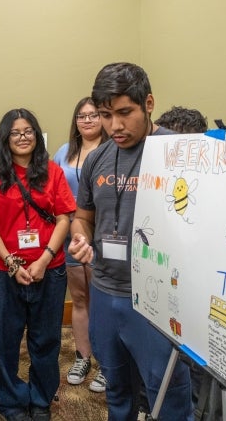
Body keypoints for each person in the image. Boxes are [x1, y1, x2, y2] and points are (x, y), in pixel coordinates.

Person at [69, 62, 193, 421]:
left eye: (125, 113)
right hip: (107, 291)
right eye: (106, 115)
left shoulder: (179, 152)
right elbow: (83, 217)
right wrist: (80, 239)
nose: (115, 126)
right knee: (118, 390)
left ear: (149, 103)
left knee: (166, 394)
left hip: (157, 296)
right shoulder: (97, 159)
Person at [0, 108, 75, 421]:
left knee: (46, 339)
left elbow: (63, 218)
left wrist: (44, 258)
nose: (22, 137)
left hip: (50, 268)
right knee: (5, 340)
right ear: (5, 138)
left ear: (36, 134)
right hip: (3, 272)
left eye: (28, 131)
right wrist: (11, 263)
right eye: (15, 132)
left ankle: (41, 399)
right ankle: (12, 402)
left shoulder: (52, 172)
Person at [53, 97, 108, 393]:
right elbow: (50, 187)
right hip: (72, 234)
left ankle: (107, 365)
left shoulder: (113, 150)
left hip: (104, 234)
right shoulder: (65, 152)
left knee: (104, 300)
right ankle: (82, 356)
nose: (87, 121)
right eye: (81, 116)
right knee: (80, 297)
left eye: (93, 115)